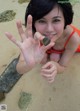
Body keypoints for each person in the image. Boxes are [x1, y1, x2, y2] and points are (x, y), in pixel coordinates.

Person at [5, 0, 80, 83]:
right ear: (33, 23)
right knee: (42, 59)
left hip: (65, 45)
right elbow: (19, 69)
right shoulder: (30, 35)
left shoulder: (73, 39)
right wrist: (29, 64)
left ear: (65, 20)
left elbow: (62, 66)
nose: (49, 29)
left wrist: (56, 67)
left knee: (54, 58)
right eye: (41, 21)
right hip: (44, 47)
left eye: (56, 20)